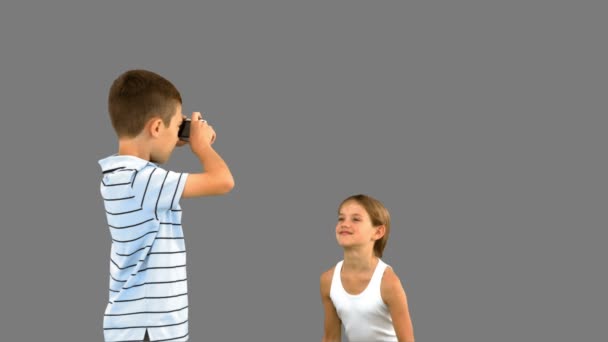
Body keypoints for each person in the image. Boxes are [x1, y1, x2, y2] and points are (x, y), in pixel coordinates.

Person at [99, 69, 234, 341]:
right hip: (151, 329)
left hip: (137, 324)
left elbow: (153, 156)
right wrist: (201, 147)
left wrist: (172, 135)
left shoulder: (120, 176)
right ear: (156, 127)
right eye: (174, 129)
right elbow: (223, 181)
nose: (177, 138)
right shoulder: (143, 180)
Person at [320, 194, 415, 342]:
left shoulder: (388, 283)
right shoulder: (328, 280)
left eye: (356, 219)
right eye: (341, 218)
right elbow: (331, 338)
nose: (345, 224)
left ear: (378, 232)